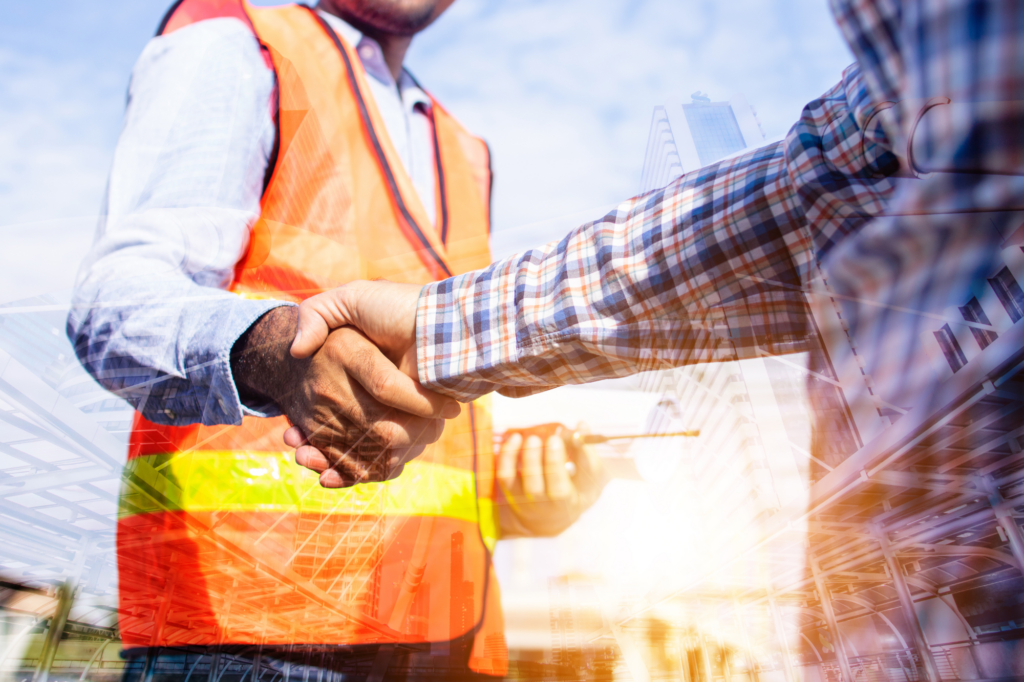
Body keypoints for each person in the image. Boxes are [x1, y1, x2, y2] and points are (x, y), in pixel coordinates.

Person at [67, 0, 605, 679]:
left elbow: (429, 423)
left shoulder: (465, 150)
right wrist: (277, 350)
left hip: (451, 636)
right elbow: (111, 303)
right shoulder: (240, 45)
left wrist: (521, 495)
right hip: (254, 635)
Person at [284, 0, 1023, 475]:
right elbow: (829, 194)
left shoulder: (464, 151)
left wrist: (440, 339)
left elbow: (829, 194)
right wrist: (441, 334)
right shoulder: (247, 44)